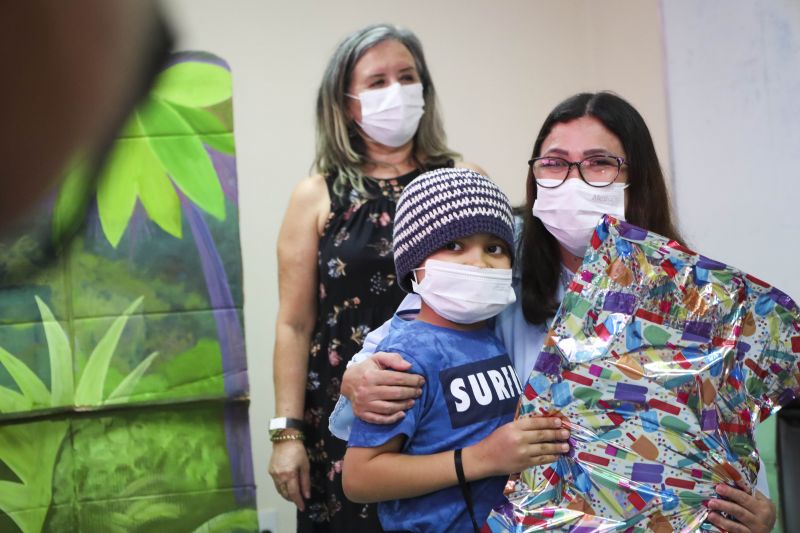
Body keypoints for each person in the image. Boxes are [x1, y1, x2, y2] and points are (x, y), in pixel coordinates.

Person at [331, 92, 777, 533]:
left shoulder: (688, 293)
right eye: (556, 162)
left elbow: (722, 433)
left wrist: (755, 509)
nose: (574, 179)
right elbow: (410, 332)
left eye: (599, 162)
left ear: (636, 178)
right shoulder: (497, 259)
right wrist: (357, 375)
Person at [268, 23, 486, 532]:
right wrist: (286, 435)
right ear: (346, 103)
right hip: (344, 417)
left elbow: (494, 293)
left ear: (425, 91)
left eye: (407, 77)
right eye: (377, 81)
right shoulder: (315, 195)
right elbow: (294, 325)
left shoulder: (462, 176)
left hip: (448, 408)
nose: (396, 91)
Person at [343, 167, 569, 533]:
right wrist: (481, 459)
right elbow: (360, 478)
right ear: (414, 265)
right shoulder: (403, 358)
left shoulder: (490, 337)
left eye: (494, 249)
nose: (477, 262)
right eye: (454, 246)